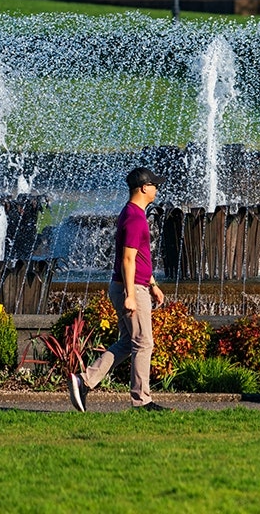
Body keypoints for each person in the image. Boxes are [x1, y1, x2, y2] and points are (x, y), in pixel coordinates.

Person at [68, 167, 168, 412]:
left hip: (134, 285)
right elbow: (127, 260)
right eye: (154, 184)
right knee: (144, 343)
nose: (157, 188)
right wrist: (131, 296)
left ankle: (85, 380)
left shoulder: (132, 213)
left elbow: (140, 257)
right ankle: (141, 400)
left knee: (128, 342)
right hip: (130, 287)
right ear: (144, 188)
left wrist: (153, 284)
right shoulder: (135, 218)